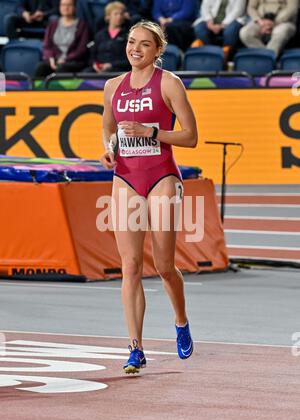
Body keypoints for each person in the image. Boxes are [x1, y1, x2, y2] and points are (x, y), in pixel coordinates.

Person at [101, 20, 198, 374]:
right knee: (129, 266)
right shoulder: (113, 86)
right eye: (131, 42)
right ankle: (135, 348)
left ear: (158, 50)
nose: (135, 49)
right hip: (125, 177)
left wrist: (151, 131)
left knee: (163, 266)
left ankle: (181, 320)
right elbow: (108, 127)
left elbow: (190, 137)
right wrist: (108, 148)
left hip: (162, 176)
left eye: (144, 44)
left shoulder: (169, 83)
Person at [35, 0, 90, 77]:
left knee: (61, 69)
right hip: (54, 60)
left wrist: (65, 59)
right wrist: (51, 58)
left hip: (73, 61)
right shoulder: (52, 25)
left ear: (74, 8)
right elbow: (47, 46)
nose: (66, 8)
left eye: (69, 5)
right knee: (41, 67)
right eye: (63, 5)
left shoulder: (82, 25)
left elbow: (81, 49)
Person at [85, 1, 131, 73]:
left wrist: (111, 65)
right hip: (98, 69)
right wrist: (94, 64)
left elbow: (129, 60)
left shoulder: (128, 35)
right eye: (116, 14)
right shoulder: (99, 35)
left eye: (121, 14)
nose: (119, 16)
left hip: (118, 69)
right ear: (108, 16)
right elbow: (92, 57)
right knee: (86, 73)